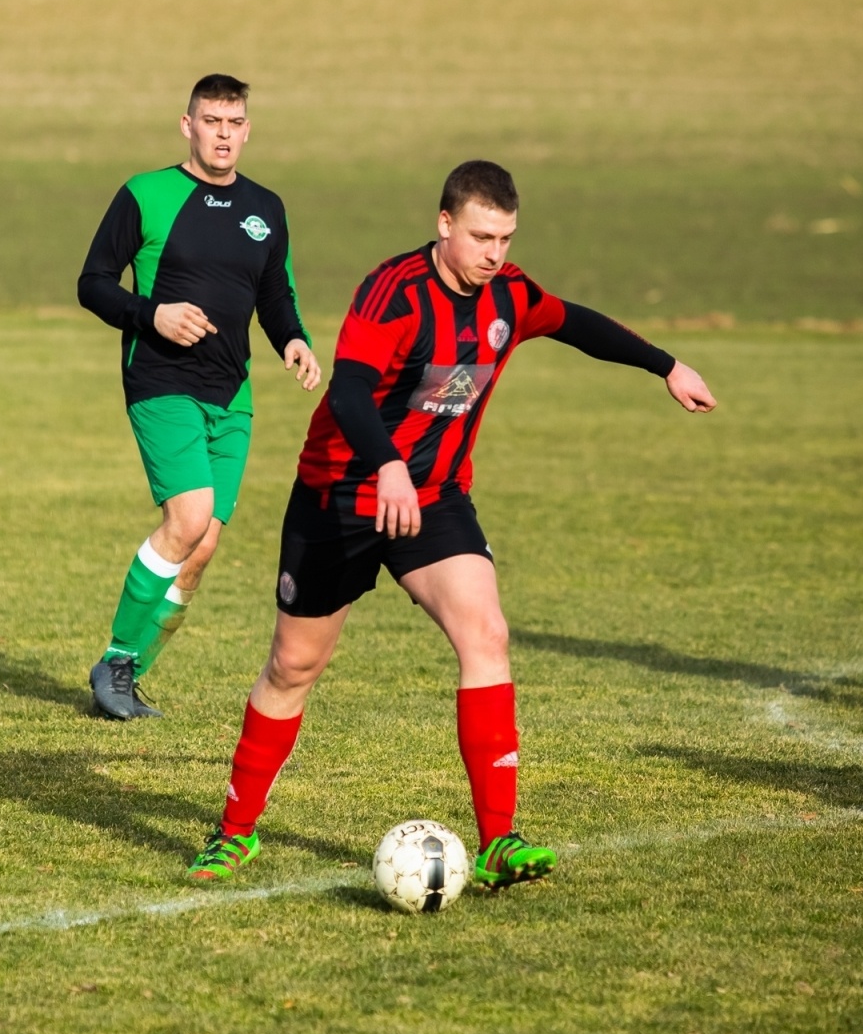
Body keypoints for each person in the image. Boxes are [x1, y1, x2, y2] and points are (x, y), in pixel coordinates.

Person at [185, 160, 716, 887]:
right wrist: (388, 465)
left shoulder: (509, 295)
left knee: (485, 633)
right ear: (444, 225)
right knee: (293, 666)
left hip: (433, 498)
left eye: (504, 236)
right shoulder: (394, 292)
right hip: (340, 495)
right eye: (480, 236)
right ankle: (235, 833)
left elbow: (573, 322)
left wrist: (667, 365)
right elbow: (348, 392)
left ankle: (500, 841)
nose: (494, 252)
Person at [77, 74, 321, 721]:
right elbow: (93, 282)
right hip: (160, 381)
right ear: (187, 125)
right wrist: (149, 315)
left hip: (232, 392)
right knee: (186, 520)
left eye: (233, 122)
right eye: (210, 120)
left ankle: (124, 678)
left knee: (205, 544)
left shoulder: (266, 207)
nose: (222, 133)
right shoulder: (146, 194)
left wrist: (293, 340)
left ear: (247, 129)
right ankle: (118, 658)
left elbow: (276, 295)